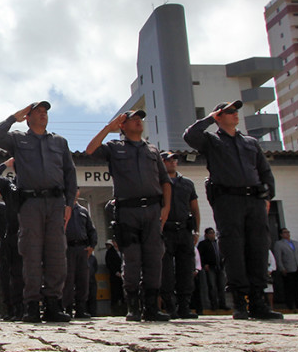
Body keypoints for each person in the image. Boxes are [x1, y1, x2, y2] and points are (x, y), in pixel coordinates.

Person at [184, 100, 281, 320]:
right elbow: (190, 136)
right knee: (233, 250)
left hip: (254, 200)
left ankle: (259, 301)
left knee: (258, 249)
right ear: (219, 116)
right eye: (229, 112)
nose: (235, 114)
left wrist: (268, 196)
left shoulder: (250, 142)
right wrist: (210, 117)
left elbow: (264, 171)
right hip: (228, 200)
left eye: (236, 111)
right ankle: (239, 302)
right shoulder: (211, 140)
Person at [0, 101, 76, 323]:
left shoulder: (59, 141)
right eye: (37, 112)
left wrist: (69, 205)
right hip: (30, 204)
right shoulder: (18, 139)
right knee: (31, 255)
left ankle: (53, 304)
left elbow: (69, 173)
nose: (43, 115)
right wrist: (13, 117)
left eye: (45, 112)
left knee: (57, 256)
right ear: (28, 117)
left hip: (56, 203)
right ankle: (31, 306)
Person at [85, 109, 172, 322]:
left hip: (152, 209)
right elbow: (90, 150)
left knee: (153, 259)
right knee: (132, 259)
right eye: (132, 119)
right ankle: (132, 306)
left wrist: (166, 208)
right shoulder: (115, 148)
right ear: (122, 126)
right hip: (127, 211)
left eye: (139, 119)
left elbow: (165, 181)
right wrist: (108, 128)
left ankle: (152, 306)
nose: (138, 122)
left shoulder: (152, 149)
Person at [158, 151, 199, 319]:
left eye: (174, 159)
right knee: (165, 271)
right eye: (167, 160)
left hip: (183, 230)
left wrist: (196, 230)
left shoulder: (187, 184)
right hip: (165, 230)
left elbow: (194, 208)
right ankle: (170, 306)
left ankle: (184, 306)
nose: (172, 162)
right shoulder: (156, 182)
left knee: (186, 269)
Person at [0, 160, 24, 321]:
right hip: (10, 238)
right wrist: (6, 164)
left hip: (27, 235)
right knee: (8, 275)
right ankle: (11, 309)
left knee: (23, 274)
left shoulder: (32, 185)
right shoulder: (9, 186)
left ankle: (24, 307)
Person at [63, 191, 97, 319]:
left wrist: (92, 246)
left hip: (82, 249)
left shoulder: (83, 211)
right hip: (68, 248)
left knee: (83, 279)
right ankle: (67, 308)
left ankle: (81, 309)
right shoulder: (62, 209)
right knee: (68, 280)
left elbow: (91, 230)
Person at [272, 228, 298, 311]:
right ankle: (290, 304)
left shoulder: (296, 243)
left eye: (288, 232)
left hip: (297, 268)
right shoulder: (279, 244)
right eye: (285, 232)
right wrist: (282, 268)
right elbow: (278, 257)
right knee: (289, 288)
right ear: (281, 234)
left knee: (297, 287)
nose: (287, 234)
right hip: (288, 268)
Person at [197, 228, 227, 311]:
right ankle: (214, 304)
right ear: (206, 234)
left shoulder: (217, 243)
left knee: (221, 286)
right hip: (210, 267)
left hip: (219, 267)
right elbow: (200, 256)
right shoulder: (203, 244)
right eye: (210, 233)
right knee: (212, 286)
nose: (212, 235)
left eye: (213, 233)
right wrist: (204, 264)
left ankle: (222, 304)